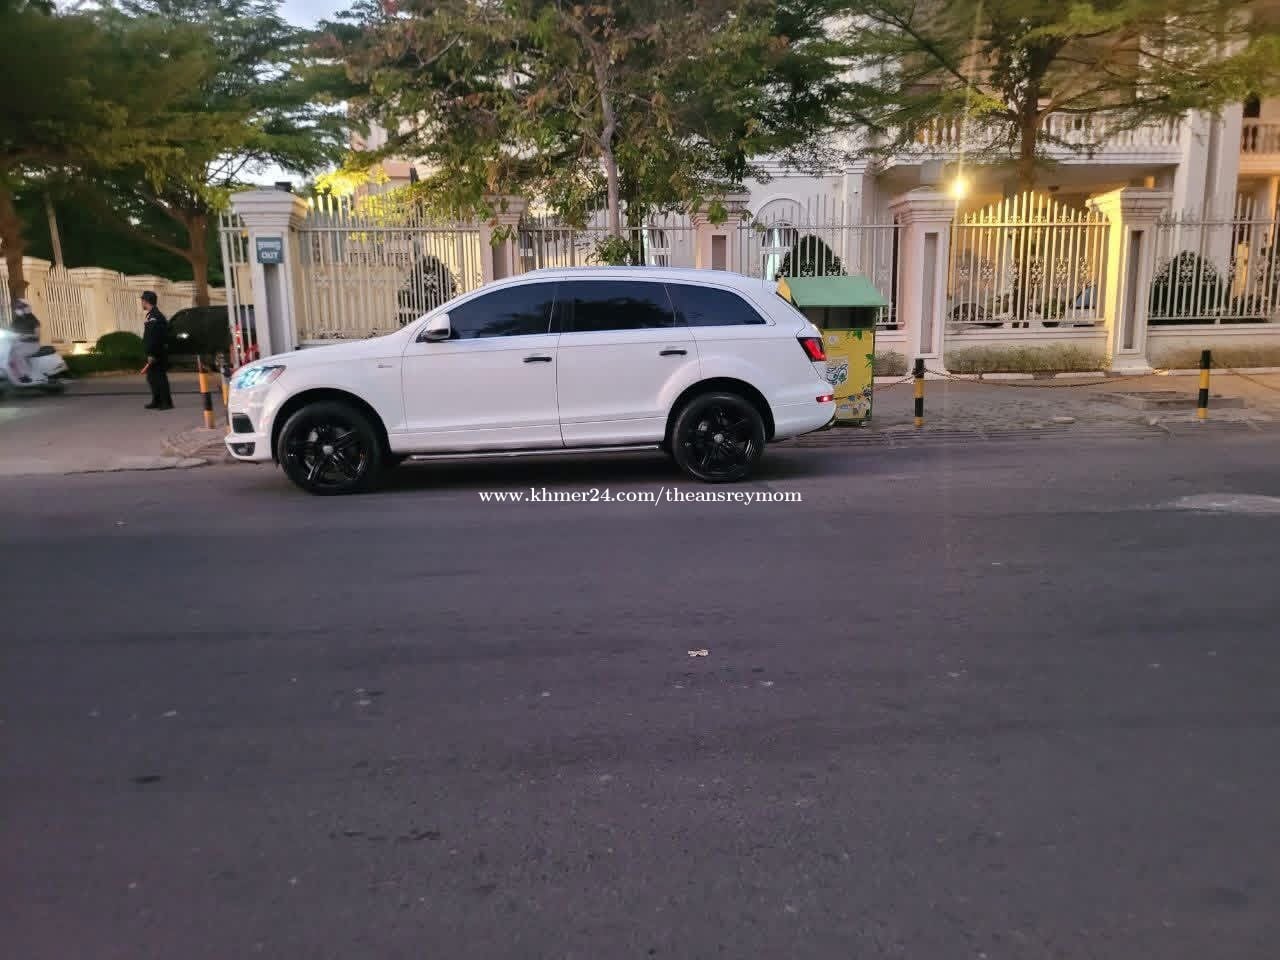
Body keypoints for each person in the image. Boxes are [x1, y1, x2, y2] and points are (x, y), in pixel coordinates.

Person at [140, 291, 173, 410]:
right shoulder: (151, 315)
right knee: (152, 378)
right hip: (155, 351)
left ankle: (166, 402)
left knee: (160, 378)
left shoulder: (155, 316)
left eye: (142, 300)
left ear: (146, 301)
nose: (141, 303)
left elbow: (155, 337)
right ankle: (157, 400)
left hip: (157, 353)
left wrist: (151, 353)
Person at [6, 297, 40, 384]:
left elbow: (37, 335)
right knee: (7, 356)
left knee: (18, 354)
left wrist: (26, 336)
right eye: (16, 307)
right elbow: (10, 330)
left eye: (20, 307)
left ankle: (25, 376)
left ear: (26, 307)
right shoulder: (17, 320)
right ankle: (14, 377)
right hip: (20, 343)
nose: (17, 309)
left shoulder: (32, 318)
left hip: (32, 344)